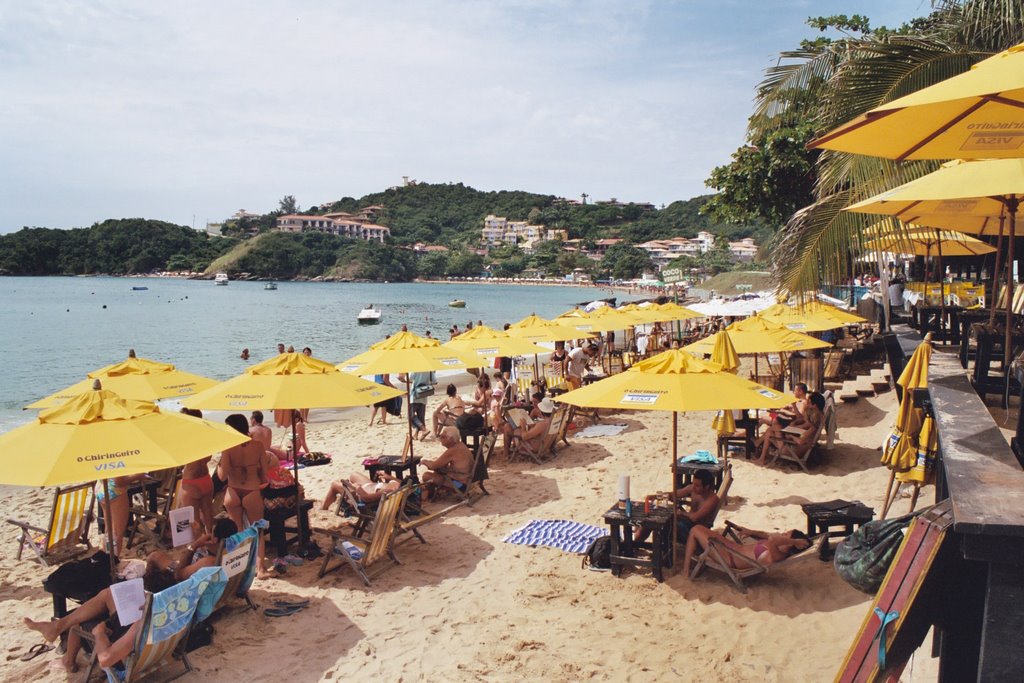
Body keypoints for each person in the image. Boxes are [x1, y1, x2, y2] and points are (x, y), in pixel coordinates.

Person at [683, 524, 812, 580]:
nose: (783, 533)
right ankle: (692, 563)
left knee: (695, 530)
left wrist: (794, 542)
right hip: (731, 548)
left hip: (728, 557)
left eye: (787, 534)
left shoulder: (777, 555)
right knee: (700, 527)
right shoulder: (777, 546)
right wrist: (751, 532)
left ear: (791, 543)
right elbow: (767, 536)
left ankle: (686, 570)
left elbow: (772, 538)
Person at [635, 470, 719, 544]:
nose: (694, 487)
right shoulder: (693, 489)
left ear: (707, 487)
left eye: (697, 486)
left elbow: (695, 518)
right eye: (693, 484)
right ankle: (636, 543)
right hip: (686, 522)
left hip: (695, 530)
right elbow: (674, 494)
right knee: (653, 519)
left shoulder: (712, 500)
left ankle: (659, 551)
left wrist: (681, 512)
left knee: (663, 524)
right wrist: (656, 496)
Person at [758, 392, 825, 465]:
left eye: (809, 402)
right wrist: (795, 428)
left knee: (775, 424)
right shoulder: (819, 417)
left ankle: (758, 447)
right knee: (770, 431)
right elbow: (806, 424)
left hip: (792, 451)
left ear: (814, 405)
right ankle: (762, 458)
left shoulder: (814, 426)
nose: (807, 403)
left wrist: (790, 435)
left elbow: (800, 441)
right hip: (796, 446)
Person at [178, 408, 215, 535]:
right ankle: (211, 541)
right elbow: (208, 457)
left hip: (191, 481)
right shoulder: (205, 434)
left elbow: (180, 459)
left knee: (194, 520)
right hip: (205, 478)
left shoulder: (184, 436)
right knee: (208, 514)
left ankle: (199, 549)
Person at [420, 426, 475, 500]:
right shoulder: (460, 445)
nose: (440, 439)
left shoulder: (453, 450)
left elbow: (434, 465)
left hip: (461, 485)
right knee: (438, 472)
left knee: (426, 476)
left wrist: (425, 461)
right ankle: (431, 494)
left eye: (443, 437)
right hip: (467, 480)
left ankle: (429, 496)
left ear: (451, 439)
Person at [320, 471, 401, 511]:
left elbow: (366, 498)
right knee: (353, 475)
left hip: (362, 494)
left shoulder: (387, 491)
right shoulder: (399, 486)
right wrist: (389, 477)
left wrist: (357, 488)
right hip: (371, 486)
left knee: (334, 484)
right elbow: (401, 482)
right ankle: (336, 497)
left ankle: (324, 507)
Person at [401, 371, 435, 441]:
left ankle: (424, 429)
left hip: (415, 394)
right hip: (424, 393)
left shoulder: (415, 368)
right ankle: (416, 435)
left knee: (410, 415)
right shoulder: (429, 369)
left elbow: (409, 378)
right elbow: (434, 381)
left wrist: (403, 375)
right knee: (420, 417)